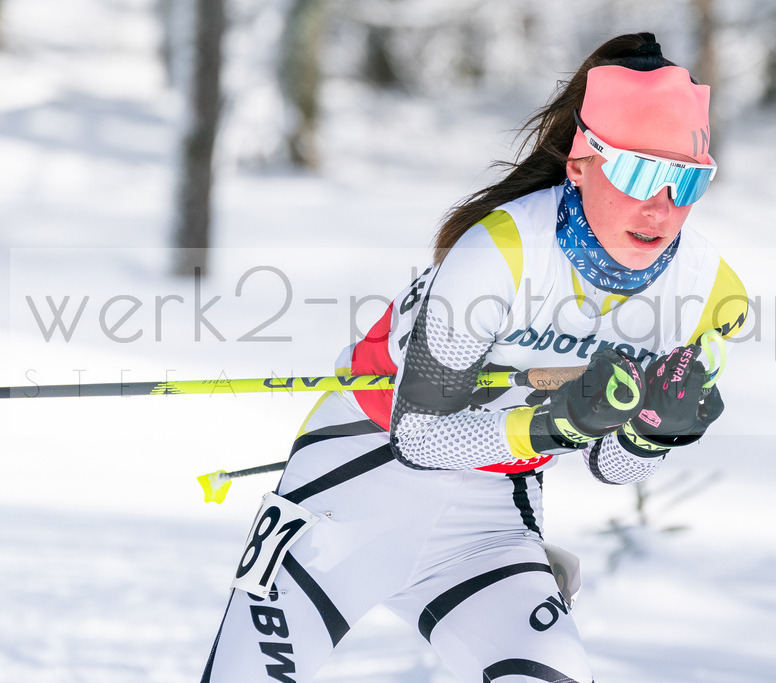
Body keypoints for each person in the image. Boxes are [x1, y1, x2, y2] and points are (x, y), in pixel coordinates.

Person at [201, 32, 746, 683]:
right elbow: (421, 436)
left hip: (490, 516)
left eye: (686, 180)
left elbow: (612, 465)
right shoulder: (501, 252)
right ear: (581, 163)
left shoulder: (708, 290)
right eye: (636, 171)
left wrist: (659, 430)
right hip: (356, 482)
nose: (661, 206)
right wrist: (557, 423)